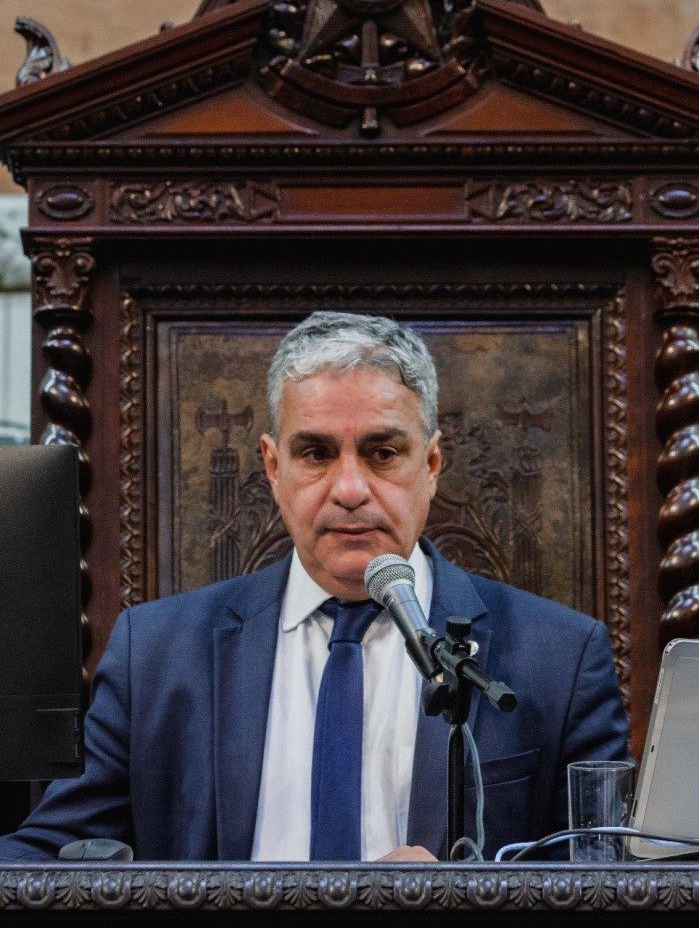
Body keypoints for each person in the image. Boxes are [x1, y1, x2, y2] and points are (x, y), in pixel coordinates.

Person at [0, 311, 628, 862]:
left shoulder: (560, 660)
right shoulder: (156, 656)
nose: (349, 489)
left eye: (383, 453)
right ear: (273, 466)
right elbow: (52, 858)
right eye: (316, 454)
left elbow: (611, 882)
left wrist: (465, 900)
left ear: (432, 464)